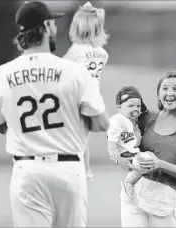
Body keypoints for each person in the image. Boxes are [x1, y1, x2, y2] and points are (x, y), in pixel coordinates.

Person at [0, 1, 109, 227]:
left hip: (27, 170)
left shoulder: (2, 73)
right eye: (52, 22)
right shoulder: (74, 70)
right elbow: (101, 124)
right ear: (47, 27)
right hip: (69, 169)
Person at [115, 72, 176, 227]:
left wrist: (159, 163)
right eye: (165, 89)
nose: (169, 93)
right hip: (134, 194)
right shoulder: (146, 118)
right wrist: (122, 158)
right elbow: (121, 141)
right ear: (158, 94)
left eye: (175, 89)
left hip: (165, 202)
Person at [63, 1, 109, 181]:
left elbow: (62, 70)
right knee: (83, 140)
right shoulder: (102, 53)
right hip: (93, 97)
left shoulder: (74, 52)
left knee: (73, 137)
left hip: (76, 98)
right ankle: (86, 170)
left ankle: (79, 169)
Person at [107, 86, 153, 201]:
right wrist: (119, 160)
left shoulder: (134, 121)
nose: (135, 109)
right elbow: (111, 146)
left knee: (151, 165)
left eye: (138, 106)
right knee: (147, 160)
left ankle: (139, 193)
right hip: (124, 155)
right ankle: (128, 185)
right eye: (130, 106)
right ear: (119, 108)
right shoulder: (118, 121)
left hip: (133, 153)